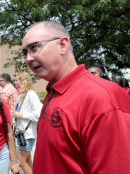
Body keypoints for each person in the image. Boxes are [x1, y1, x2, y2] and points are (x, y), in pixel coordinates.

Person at [21, 21, 130, 173]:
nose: (28, 59)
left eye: (34, 48)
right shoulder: (53, 92)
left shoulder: (102, 97)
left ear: (63, 45)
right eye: (25, 52)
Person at [13, 72, 42, 174]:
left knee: (21, 161)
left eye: (16, 80)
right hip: (23, 133)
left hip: (27, 134)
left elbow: (38, 114)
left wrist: (21, 115)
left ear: (23, 81)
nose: (14, 82)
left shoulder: (30, 94)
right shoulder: (21, 94)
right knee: (27, 161)